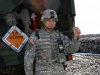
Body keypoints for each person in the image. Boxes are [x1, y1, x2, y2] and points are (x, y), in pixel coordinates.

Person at [24, 9, 81, 75]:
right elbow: (28, 58)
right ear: (43, 21)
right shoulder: (35, 36)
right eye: (48, 20)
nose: (51, 23)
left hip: (60, 72)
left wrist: (75, 38)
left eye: (54, 20)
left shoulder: (60, 36)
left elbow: (71, 50)